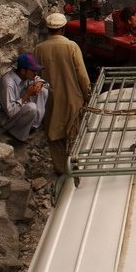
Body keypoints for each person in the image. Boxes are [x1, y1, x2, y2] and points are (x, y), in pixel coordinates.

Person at [34, 13, 91, 175]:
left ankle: (60, 170)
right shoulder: (71, 46)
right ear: (64, 29)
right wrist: (88, 95)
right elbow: (82, 74)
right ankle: (77, 168)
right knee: (75, 135)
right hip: (72, 97)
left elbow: (36, 76)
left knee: (54, 134)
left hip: (50, 100)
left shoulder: (39, 49)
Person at [0, 53, 49, 142]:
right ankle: (16, 135)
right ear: (23, 71)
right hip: (6, 120)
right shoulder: (8, 84)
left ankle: (32, 127)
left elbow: (44, 83)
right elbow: (11, 112)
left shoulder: (26, 76)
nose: (35, 73)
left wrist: (40, 83)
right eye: (33, 71)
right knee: (31, 107)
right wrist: (27, 94)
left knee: (43, 91)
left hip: (19, 112)